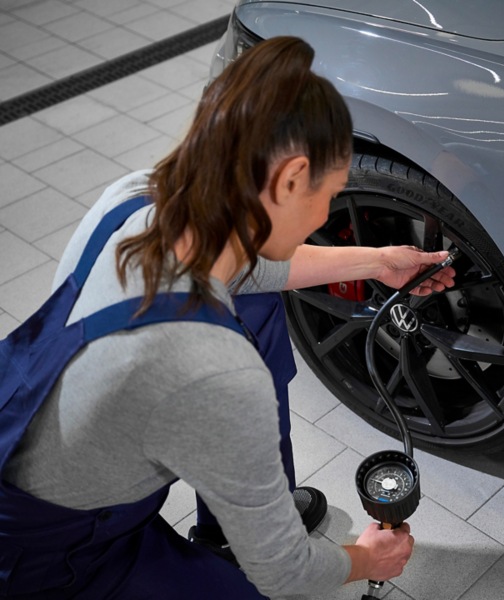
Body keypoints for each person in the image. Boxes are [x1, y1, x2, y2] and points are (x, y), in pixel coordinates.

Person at [0, 37, 455, 599]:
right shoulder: (215, 372)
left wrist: (379, 261)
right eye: (329, 195)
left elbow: (255, 270)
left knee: (257, 308)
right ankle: (240, 534)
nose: (324, 213)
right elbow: (285, 573)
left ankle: (229, 531)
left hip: (29, 457)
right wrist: (366, 558)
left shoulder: (139, 198)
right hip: (50, 560)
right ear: (290, 181)